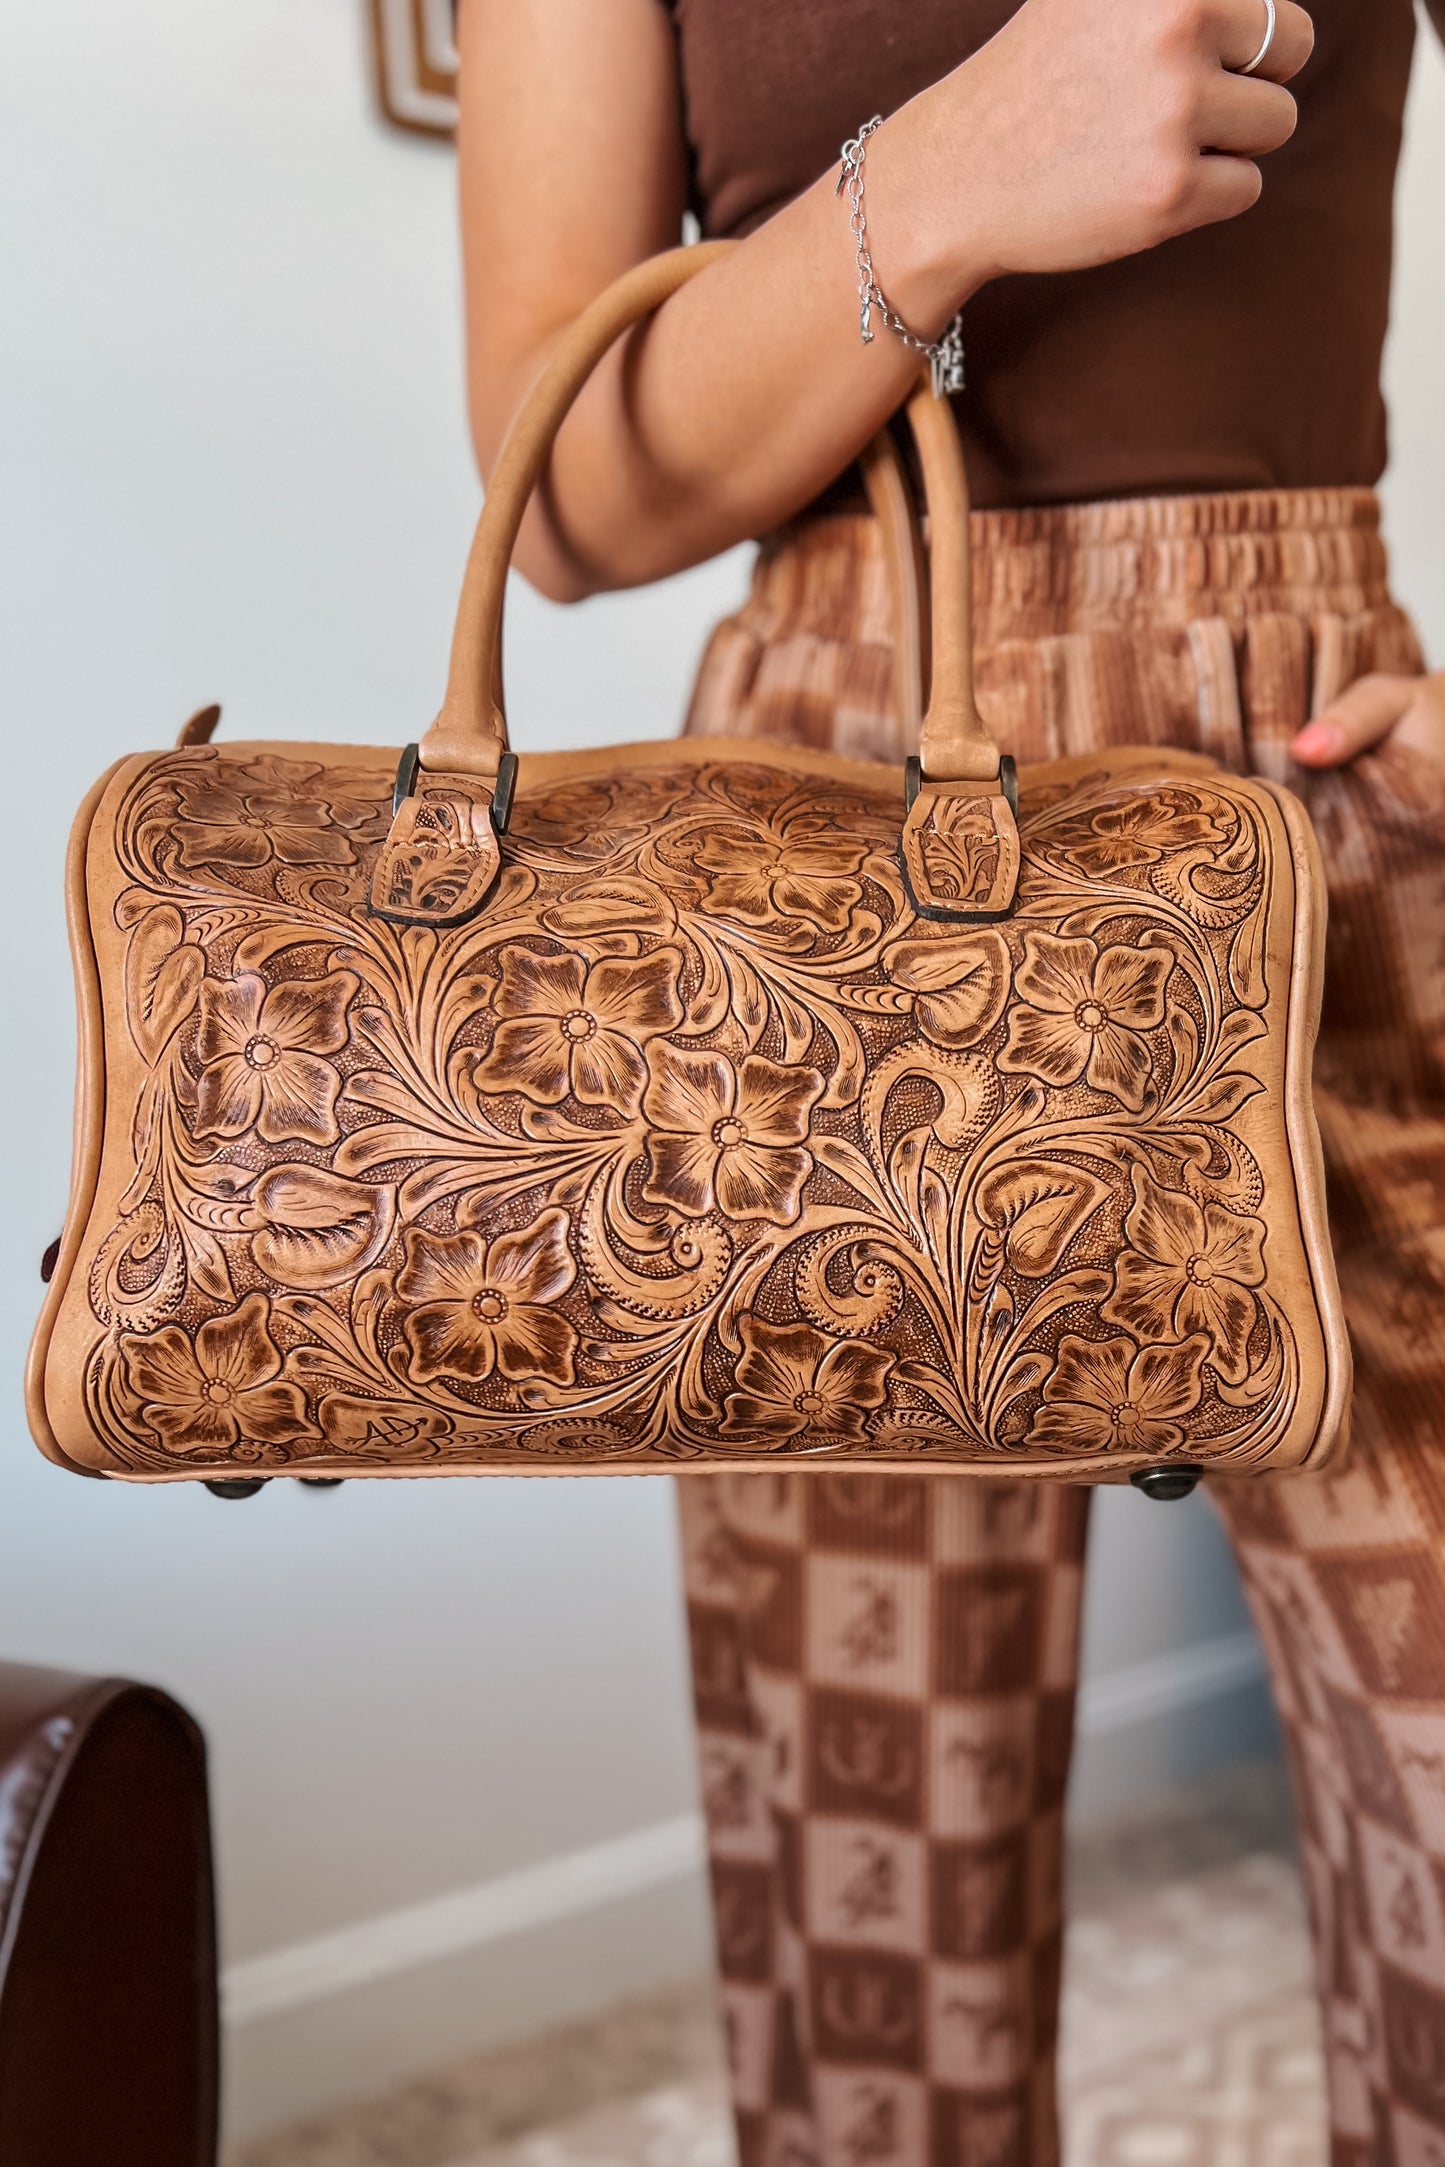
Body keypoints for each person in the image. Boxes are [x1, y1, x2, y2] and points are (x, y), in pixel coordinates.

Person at [455, 1, 1445, 2157]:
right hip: (828, 819)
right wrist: (958, 171)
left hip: (1313, 774)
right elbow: (565, 486)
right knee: (870, 1891)